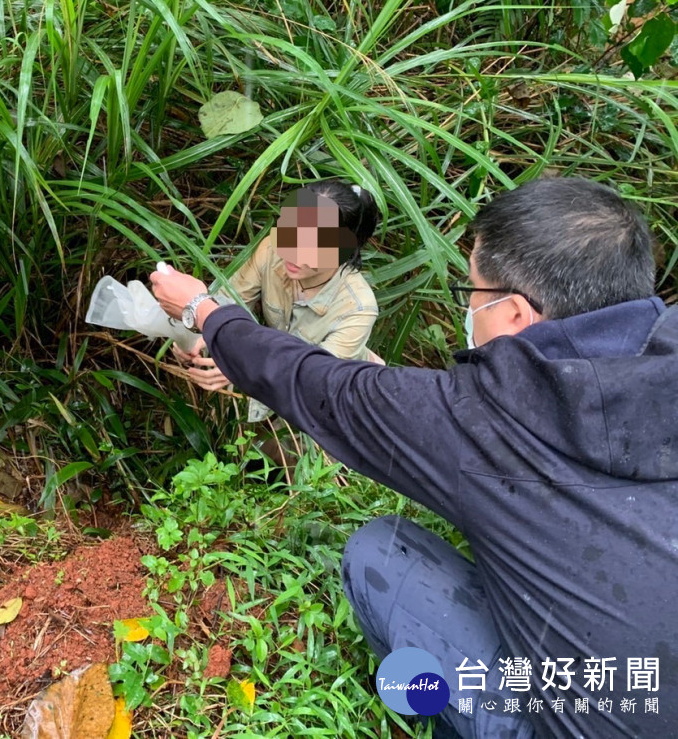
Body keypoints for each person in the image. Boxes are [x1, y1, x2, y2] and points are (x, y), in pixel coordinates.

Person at [151, 177, 678, 738]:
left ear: (518, 315)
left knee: (381, 552)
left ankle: (441, 722)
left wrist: (204, 310)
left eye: (473, 292)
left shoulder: (479, 419)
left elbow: (315, 385)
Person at [173, 180, 380, 462]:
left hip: (329, 404)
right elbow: (224, 302)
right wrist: (200, 333)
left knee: (302, 465)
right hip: (270, 377)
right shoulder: (272, 250)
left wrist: (239, 367)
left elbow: (313, 382)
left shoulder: (358, 307)